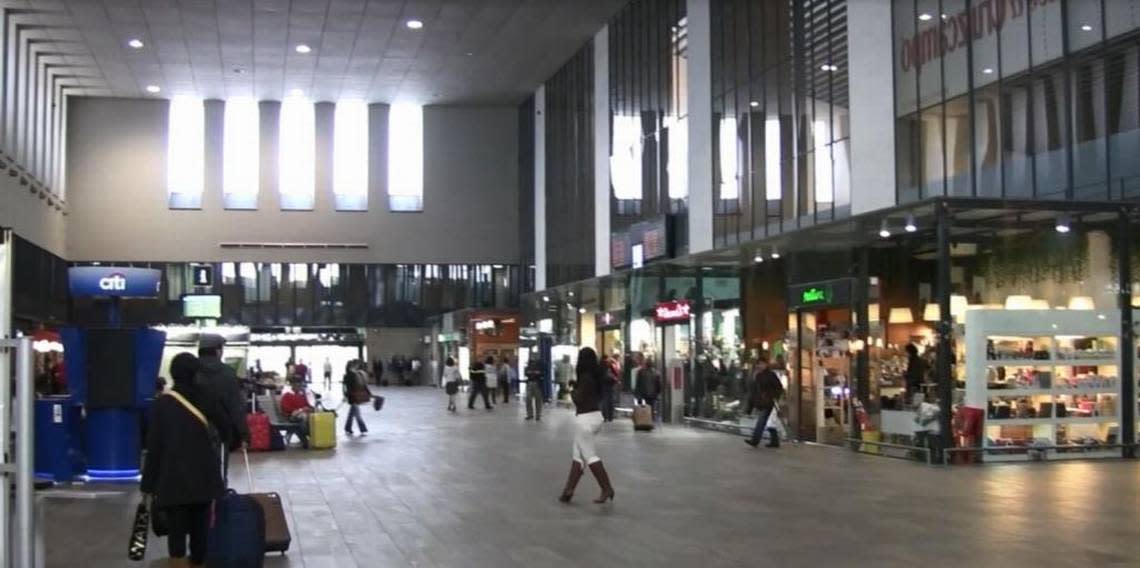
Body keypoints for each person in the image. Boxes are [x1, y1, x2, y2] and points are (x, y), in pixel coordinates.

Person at [141, 353, 225, 567]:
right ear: (196, 373)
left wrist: (148, 484)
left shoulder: (162, 404)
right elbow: (226, 429)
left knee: (176, 536)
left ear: (173, 374)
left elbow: (154, 448)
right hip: (204, 478)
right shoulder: (207, 397)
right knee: (201, 534)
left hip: (173, 481)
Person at [558, 347, 614, 504]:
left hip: (585, 420)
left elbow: (579, 399)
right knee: (577, 456)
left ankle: (606, 487)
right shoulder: (594, 377)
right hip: (594, 417)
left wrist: (571, 390)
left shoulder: (586, 377)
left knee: (589, 456)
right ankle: (568, 491)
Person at [196, 334, 249, 478]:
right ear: (218, 351)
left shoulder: (191, 371)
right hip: (220, 431)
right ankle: (219, 498)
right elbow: (235, 406)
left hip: (193, 429)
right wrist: (243, 433)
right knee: (219, 472)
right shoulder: (227, 373)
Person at [744, 357, 785, 448]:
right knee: (769, 422)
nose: (760, 366)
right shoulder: (756, 375)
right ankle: (775, 441)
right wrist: (750, 407)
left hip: (768, 401)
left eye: (762, 364)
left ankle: (755, 440)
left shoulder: (770, 375)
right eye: (759, 364)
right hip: (761, 401)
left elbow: (779, 387)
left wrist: (773, 396)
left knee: (761, 421)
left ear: (766, 364)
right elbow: (753, 391)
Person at [279, 379, 313, 448]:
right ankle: (306, 435)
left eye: (300, 385)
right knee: (303, 417)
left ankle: (309, 435)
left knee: (312, 417)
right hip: (291, 416)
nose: (299, 386)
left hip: (301, 414)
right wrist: (300, 410)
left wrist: (307, 408)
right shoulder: (287, 396)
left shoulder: (302, 395)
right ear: (292, 385)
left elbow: (307, 405)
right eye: (297, 385)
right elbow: (286, 409)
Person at [342, 361, 369, 436]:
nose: (357, 367)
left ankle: (347, 427)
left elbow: (344, 387)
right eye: (356, 365)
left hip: (352, 396)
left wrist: (345, 395)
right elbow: (360, 385)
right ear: (352, 366)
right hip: (354, 396)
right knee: (357, 414)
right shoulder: (354, 375)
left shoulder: (348, 375)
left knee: (352, 413)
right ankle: (363, 428)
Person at [599, 355, 617, 422]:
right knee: (610, 400)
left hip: (603, 385)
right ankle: (610, 416)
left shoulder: (600, 366)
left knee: (604, 401)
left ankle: (605, 416)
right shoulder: (610, 365)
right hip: (610, 384)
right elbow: (616, 373)